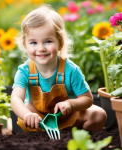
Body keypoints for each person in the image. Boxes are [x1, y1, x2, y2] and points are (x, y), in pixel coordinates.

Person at [11, 5, 107, 133]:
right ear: (25, 45)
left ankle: (83, 139)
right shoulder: (24, 71)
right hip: (41, 120)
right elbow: (16, 98)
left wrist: (71, 104)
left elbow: (88, 99)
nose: (41, 48)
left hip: (68, 117)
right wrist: (26, 115)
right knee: (27, 107)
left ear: (60, 43)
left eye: (48, 41)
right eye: (33, 42)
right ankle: (42, 138)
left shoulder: (71, 70)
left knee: (99, 114)